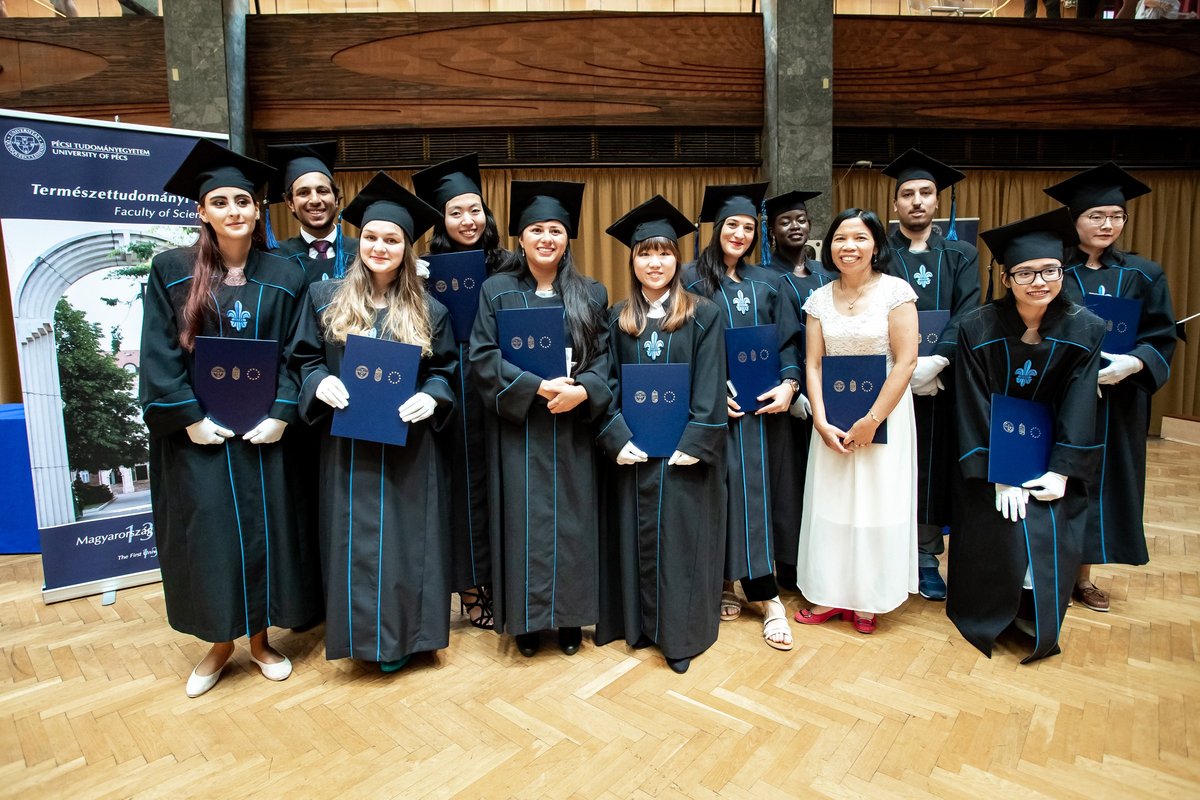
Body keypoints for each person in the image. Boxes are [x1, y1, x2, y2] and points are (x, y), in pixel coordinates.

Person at [140, 140, 321, 697]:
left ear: (258, 209)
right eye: (220, 202)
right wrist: (188, 416)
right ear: (202, 211)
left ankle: (261, 641)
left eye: (243, 200)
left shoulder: (287, 274)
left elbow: (298, 351)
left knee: (267, 532)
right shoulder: (171, 270)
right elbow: (159, 352)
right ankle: (219, 645)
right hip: (200, 438)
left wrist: (284, 412)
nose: (234, 210)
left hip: (264, 435)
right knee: (211, 537)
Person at [290, 172, 456, 672]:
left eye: (392, 240)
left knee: (408, 542)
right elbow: (302, 359)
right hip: (348, 446)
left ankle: (410, 637)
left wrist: (431, 396)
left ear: (406, 248)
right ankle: (362, 640)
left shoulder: (431, 309)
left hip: (410, 447)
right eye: (371, 237)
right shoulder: (324, 297)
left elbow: (446, 371)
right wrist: (319, 381)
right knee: (353, 542)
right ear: (358, 241)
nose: (380, 247)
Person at [950, 210, 1106, 663]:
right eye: (1025, 273)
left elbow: (1080, 402)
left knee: (1045, 519)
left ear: (1063, 271)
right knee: (998, 521)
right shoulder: (977, 327)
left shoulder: (1086, 328)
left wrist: (1062, 470)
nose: (1039, 281)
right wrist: (999, 472)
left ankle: (1034, 614)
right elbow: (973, 401)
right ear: (1006, 277)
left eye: (1050, 270)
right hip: (993, 453)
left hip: (1051, 451)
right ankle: (989, 612)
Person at [468, 180, 613, 658]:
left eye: (555, 230)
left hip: (572, 428)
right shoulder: (497, 290)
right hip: (520, 430)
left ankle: (569, 618)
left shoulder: (591, 293)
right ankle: (526, 621)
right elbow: (482, 357)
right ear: (521, 237)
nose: (546, 238)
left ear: (568, 237)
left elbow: (604, 358)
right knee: (523, 523)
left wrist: (582, 390)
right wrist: (537, 386)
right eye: (536, 230)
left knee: (572, 523)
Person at [595, 196, 727, 674]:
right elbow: (605, 382)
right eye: (645, 253)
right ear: (632, 260)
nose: (655, 262)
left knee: (680, 544)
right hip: (634, 455)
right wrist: (616, 436)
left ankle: (680, 635)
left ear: (677, 258)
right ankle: (638, 627)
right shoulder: (617, 318)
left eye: (665, 253)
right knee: (636, 537)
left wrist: (695, 442)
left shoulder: (704, 315)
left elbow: (710, 384)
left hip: (683, 460)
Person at [1044, 163, 1178, 612]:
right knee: (1054, 477)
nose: (1107, 225)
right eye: (1096, 216)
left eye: (1116, 216)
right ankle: (1048, 571)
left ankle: (1083, 577)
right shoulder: (1052, 270)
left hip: (1116, 401)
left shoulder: (1144, 274)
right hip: (1058, 396)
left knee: (1099, 483)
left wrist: (1132, 363)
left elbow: (1160, 334)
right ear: (1075, 219)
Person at [682, 183, 797, 652]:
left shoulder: (769, 281)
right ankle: (726, 583)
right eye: (732, 224)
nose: (740, 234)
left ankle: (769, 597)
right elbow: (680, 346)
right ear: (717, 227)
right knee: (718, 494)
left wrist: (790, 384)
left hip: (763, 413)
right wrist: (708, 395)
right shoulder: (689, 280)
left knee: (757, 497)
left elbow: (789, 342)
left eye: (749, 227)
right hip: (713, 411)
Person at [794, 208, 919, 635]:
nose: (849, 247)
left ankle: (868, 597)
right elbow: (813, 363)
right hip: (832, 417)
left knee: (877, 504)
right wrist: (820, 419)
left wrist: (872, 419)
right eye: (840, 238)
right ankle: (830, 592)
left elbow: (906, 361)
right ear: (829, 246)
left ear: (876, 245)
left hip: (885, 416)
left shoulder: (896, 293)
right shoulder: (818, 298)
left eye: (860, 238)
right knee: (832, 503)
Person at [412, 153, 516, 630]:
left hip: (500, 384)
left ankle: (505, 579)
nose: (468, 220)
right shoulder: (422, 269)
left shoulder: (509, 264)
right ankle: (471, 586)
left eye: (475, 210)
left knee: (500, 484)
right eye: (455, 212)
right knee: (462, 488)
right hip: (450, 387)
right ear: (441, 219)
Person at [880, 149, 981, 602]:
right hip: (886, 380)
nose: (917, 201)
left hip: (942, 382)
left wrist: (937, 361)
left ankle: (925, 555)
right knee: (887, 464)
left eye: (925, 192)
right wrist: (902, 369)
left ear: (938, 201)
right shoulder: (879, 253)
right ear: (895, 204)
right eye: (907, 194)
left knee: (933, 466)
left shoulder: (961, 255)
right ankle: (888, 551)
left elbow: (969, 311)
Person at [765, 189, 833, 591]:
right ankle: (790, 563)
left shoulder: (829, 275)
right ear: (771, 231)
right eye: (785, 221)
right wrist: (792, 386)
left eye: (801, 219)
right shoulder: (764, 278)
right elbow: (775, 340)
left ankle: (826, 561)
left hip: (833, 395)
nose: (795, 226)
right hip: (789, 399)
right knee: (791, 483)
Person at [265, 141, 357, 286]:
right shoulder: (276, 257)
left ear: (336, 199)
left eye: (322, 191)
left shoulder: (361, 253)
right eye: (303, 193)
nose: (315, 200)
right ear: (290, 203)